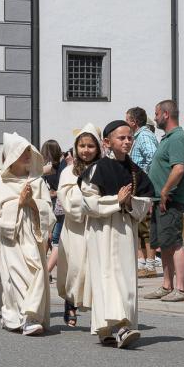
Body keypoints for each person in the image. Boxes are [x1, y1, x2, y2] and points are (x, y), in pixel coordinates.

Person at [80, 120, 155, 347]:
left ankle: (115, 327)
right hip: (102, 230)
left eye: (129, 137)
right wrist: (116, 201)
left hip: (125, 230)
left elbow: (145, 204)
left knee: (124, 278)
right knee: (107, 278)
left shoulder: (135, 171)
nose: (127, 141)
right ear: (107, 142)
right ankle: (117, 327)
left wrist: (129, 202)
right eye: (121, 138)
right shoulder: (97, 169)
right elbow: (88, 202)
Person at [0, 132, 53, 335]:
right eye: (22, 151)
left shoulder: (37, 182)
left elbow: (47, 208)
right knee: (18, 276)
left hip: (32, 235)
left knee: (37, 271)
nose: (28, 154)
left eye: (29, 150)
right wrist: (18, 204)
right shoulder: (0, 183)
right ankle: (25, 317)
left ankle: (30, 315)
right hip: (11, 239)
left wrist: (32, 203)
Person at [55, 124, 100, 328]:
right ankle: (70, 302)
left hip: (98, 227)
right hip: (75, 228)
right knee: (75, 268)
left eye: (91, 145)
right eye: (82, 145)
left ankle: (98, 311)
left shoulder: (103, 168)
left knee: (94, 269)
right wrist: (89, 199)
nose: (86, 150)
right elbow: (67, 198)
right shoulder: (69, 171)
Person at [145, 100, 184, 302]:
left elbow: (178, 168)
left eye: (156, 114)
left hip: (170, 200)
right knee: (164, 244)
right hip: (160, 200)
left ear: (165, 114)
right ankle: (166, 285)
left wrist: (164, 191)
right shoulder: (167, 138)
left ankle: (180, 289)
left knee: (175, 242)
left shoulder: (178, 138)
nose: (154, 118)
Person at [126, 106, 159, 275]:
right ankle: (143, 263)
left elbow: (154, 159)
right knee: (140, 227)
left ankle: (150, 264)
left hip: (145, 188)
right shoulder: (138, 137)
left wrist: (148, 186)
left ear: (134, 121)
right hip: (139, 188)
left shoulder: (144, 136)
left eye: (127, 120)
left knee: (147, 227)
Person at [40, 139, 65, 275]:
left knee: (54, 239)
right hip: (51, 205)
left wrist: (54, 193)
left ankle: (44, 272)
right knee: (49, 237)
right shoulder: (54, 166)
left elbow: (62, 187)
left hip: (58, 206)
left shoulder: (62, 166)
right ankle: (44, 269)